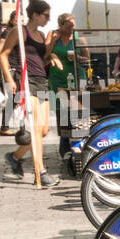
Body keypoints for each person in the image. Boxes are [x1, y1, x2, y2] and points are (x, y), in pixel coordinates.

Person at [0, 0, 57, 186]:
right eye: (46, 15)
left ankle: (15, 157)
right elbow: (3, 55)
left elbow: (43, 58)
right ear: (35, 15)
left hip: (41, 80)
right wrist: (9, 80)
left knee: (44, 130)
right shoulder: (19, 32)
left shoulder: (40, 35)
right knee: (36, 127)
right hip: (26, 81)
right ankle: (40, 172)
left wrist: (52, 55)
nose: (48, 19)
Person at [47, 13, 87, 161]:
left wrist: (79, 58)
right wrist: (53, 42)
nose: (72, 28)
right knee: (63, 111)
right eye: (69, 26)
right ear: (61, 25)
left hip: (77, 78)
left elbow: (87, 60)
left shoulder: (79, 39)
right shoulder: (54, 37)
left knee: (78, 110)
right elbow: (45, 54)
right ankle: (64, 144)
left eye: (73, 25)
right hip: (59, 79)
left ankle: (78, 144)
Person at [0, 8, 18, 135]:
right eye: (16, 20)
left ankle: (7, 126)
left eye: (21, 20)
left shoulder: (22, 33)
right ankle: (4, 127)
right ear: (11, 20)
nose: (19, 22)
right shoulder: (7, 33)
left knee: (16, 98)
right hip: (12, 69)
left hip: (19, 69)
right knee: (14, 98)